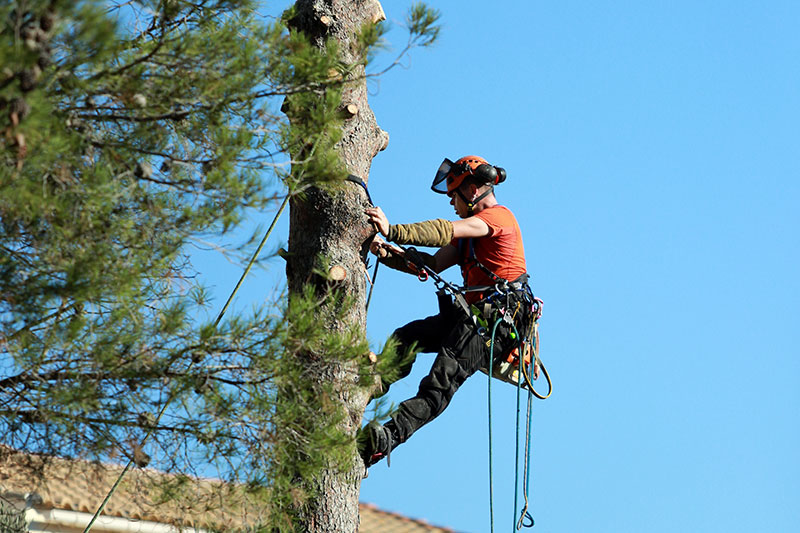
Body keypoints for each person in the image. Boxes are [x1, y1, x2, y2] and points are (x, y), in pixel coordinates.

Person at [359, 155, 538, 467]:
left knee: (440, 382)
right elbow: (430, 263)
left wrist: (393, 230)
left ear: (471, 191)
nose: (451, 203)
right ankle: (376, 381)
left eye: (453, 195)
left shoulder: (498, 219)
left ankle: (385, 440)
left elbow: (444, 230)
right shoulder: (469, 240)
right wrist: (386, 252)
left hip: (494, 324)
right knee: (408, 336)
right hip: (472, 317)